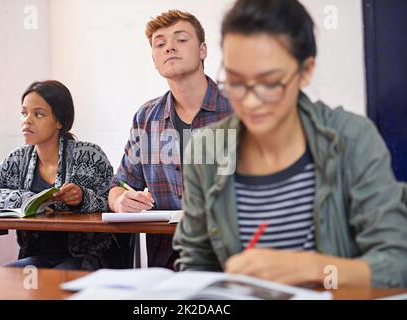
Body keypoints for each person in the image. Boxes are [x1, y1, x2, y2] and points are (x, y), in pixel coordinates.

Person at [173, 0, 407, 287]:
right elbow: (196, 266)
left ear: (305, 71)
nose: (249, 100)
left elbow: (397, 263)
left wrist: (316, 269)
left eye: (269, 83)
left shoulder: (351, 139)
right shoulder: (206, 151)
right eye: (235, 81)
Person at [108, 10, 232, 269]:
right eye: (160, 43)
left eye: (181, 39)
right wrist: (120, 199)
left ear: (202, 50)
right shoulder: (146, 117)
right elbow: (119, 183)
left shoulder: (240, 108)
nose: (169, 48)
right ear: (154, 59)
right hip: (167, 262)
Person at [0, 80, 129, 270]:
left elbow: (115, 201)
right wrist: (26, 199)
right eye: (24, 113)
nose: (26, 120)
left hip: (90, 257)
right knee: (9, 276)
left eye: (38, 114)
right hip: (37, 256)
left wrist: (82, 198)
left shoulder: (90, 155)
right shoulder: (17, 159)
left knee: (56, 280)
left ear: (59, 122)